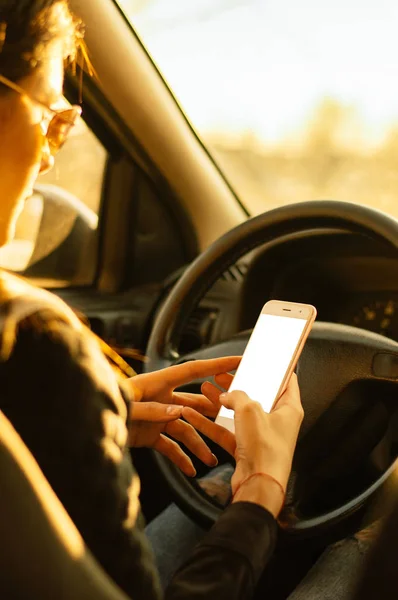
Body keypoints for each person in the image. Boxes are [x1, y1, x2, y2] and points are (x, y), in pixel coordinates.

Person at [0, 2, 306, 599]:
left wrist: (102, 404)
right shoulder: (33, 344)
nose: (51, 155)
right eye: (53, 119)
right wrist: (262, 492)